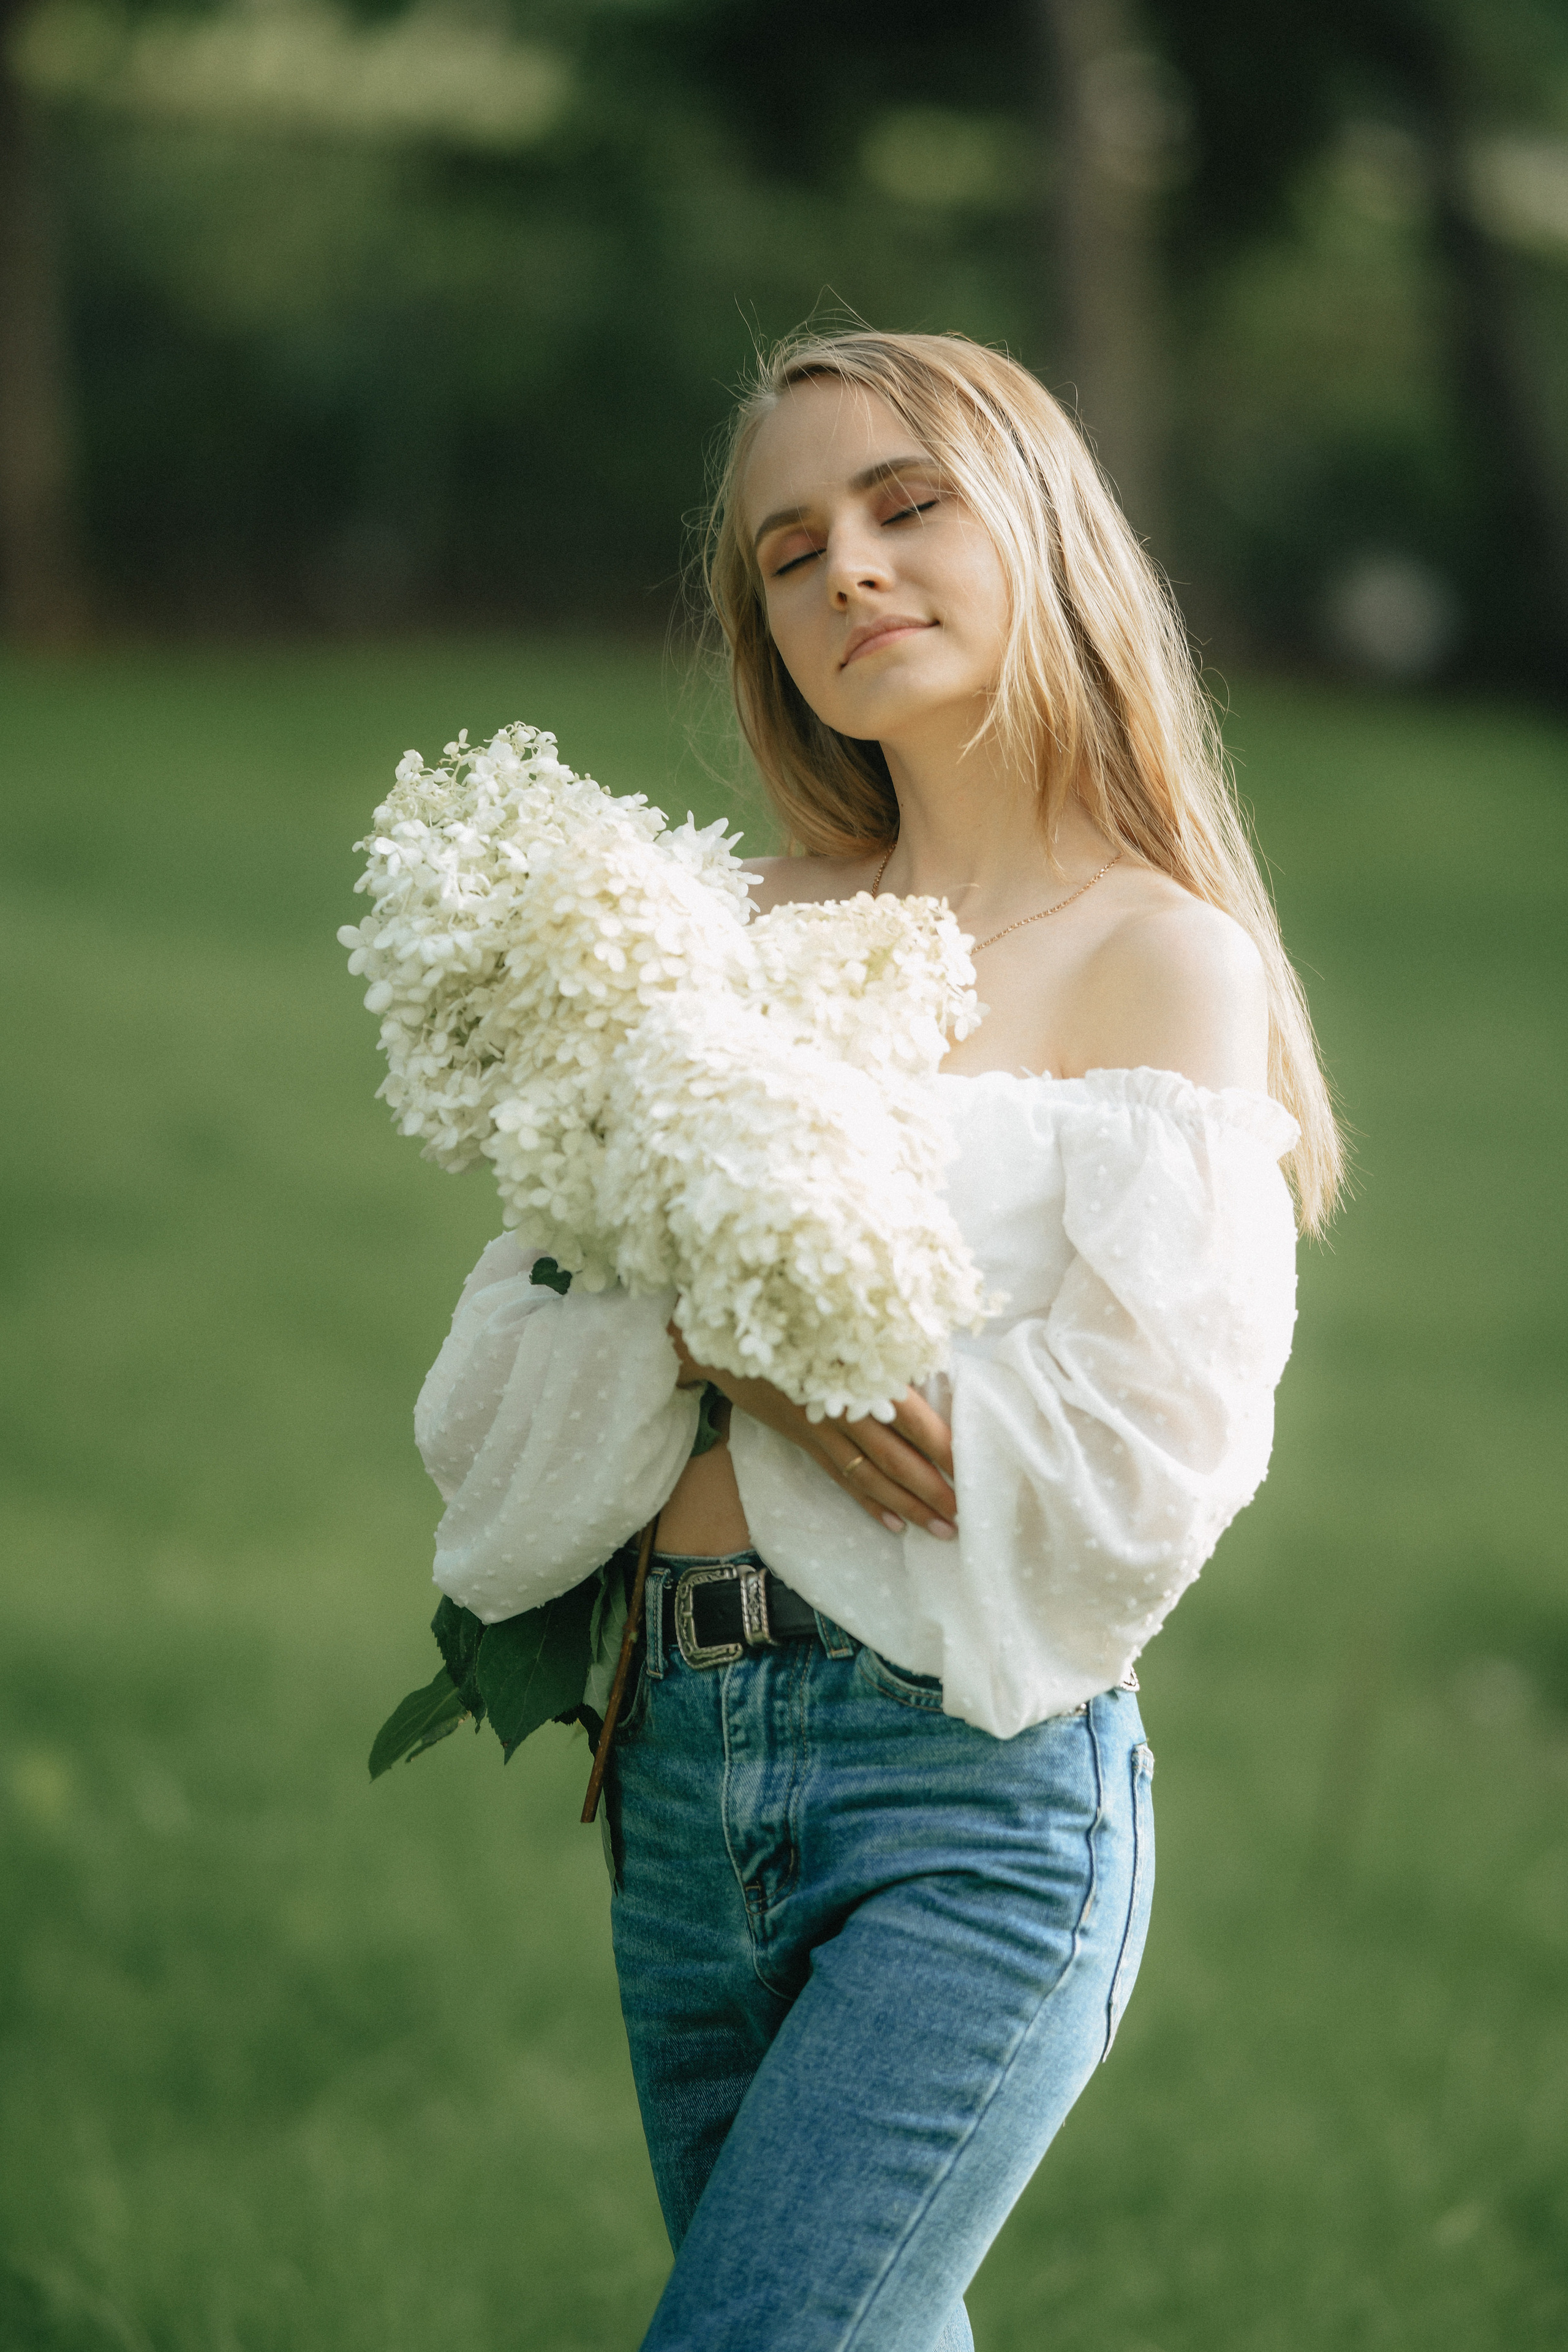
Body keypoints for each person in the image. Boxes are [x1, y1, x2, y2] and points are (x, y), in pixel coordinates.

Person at [413, 329, 1341, 2350]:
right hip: (670, 1772)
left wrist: (740, 1328)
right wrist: (738, 1336)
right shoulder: (729, 930)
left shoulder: (1157, 955)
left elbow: (1140, 1460)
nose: (848, 567)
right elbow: (498, 1377)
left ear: (1047, 532)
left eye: (907, 506)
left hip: (966, 1800)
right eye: (787, 546)